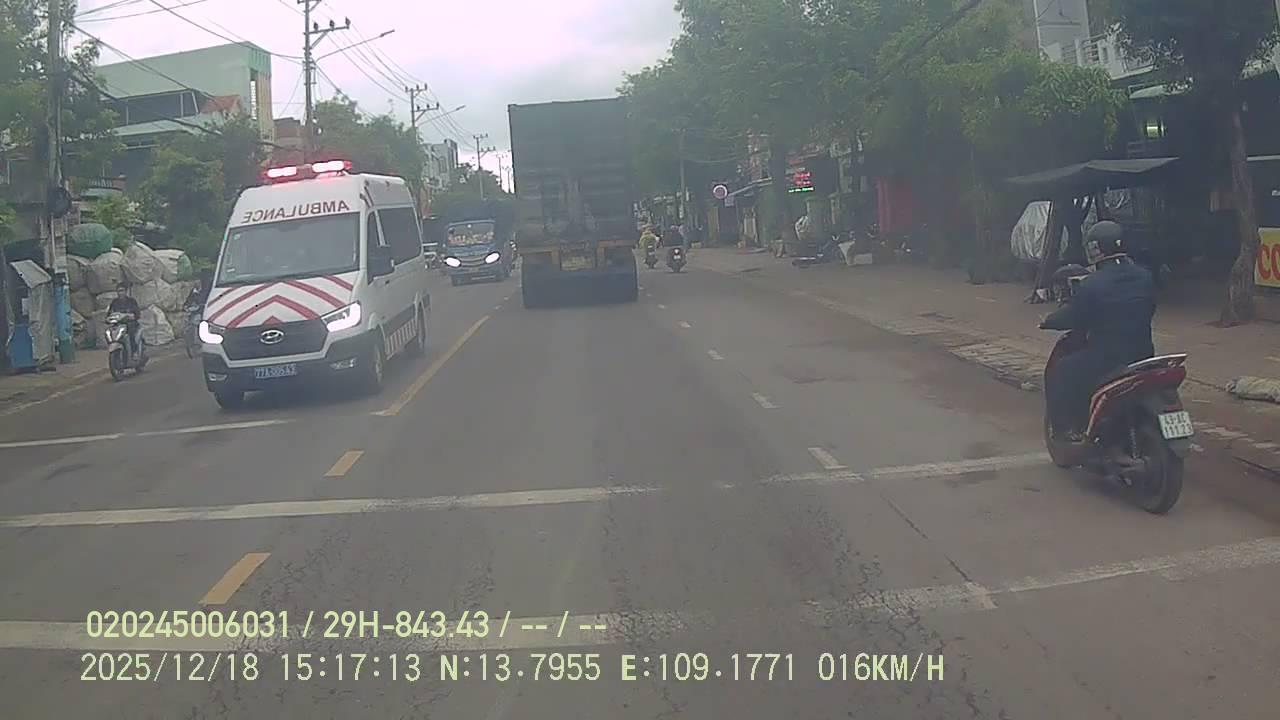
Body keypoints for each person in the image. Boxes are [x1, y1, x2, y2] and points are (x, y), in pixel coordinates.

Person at [1041, 221, 1157, 441]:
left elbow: (1075, 316)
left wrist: (1048, 321)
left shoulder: (1092, 283)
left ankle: (1065, 430)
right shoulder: (1145, 276)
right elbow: (1150, 308)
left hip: (1108, 358)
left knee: (1063, 369)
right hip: (1144, 355)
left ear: (1096, 249)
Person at [107, 280, 142, 349]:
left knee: (131, 333)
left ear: (126, 291)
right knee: (108, 332)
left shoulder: (131, 301)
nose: (120, 293)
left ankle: (134, 350)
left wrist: (130, 316)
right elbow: (109, 313)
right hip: (118, 324)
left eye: (122, 291)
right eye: (118, 291)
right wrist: (108, 319)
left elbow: (137, 314)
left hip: (130, 323)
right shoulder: (114, 302)